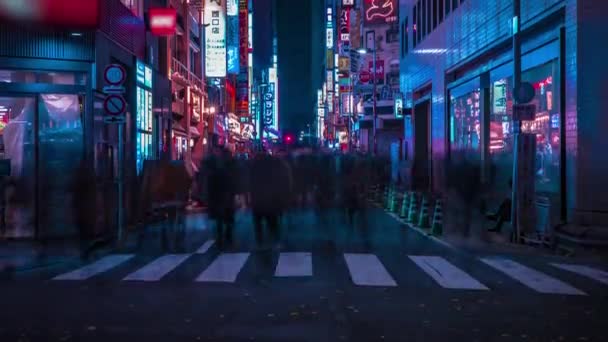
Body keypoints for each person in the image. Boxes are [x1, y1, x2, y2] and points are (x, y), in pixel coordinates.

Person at [201, 147, 237, 249]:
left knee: (220, 219)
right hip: (225, 194)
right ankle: (226, 237)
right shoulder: (229, 165)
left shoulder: (214, 166)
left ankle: (221, 238)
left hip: (219, 195)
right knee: (226, 217)